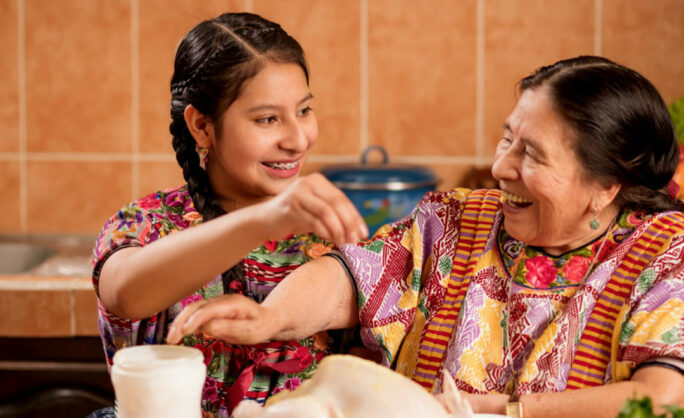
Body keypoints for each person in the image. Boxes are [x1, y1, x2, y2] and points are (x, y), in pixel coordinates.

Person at [168, 56, 684, 417]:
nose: (501, 166)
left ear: (604, 186)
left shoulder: (665, 254)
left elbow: (662, 399)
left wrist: (500, 413)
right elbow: (355, 277)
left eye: (532, 154)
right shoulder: (456, 219)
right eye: (508, 137)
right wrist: (271, 316)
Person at [91, 12, 367, 417]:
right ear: (202, 126)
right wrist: (264, 220)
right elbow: (125, 293)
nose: (297, 139)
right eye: (267, 119)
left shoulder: (326, 233)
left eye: (304, 111)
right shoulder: (148, 224)